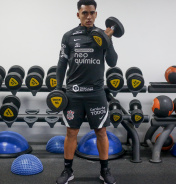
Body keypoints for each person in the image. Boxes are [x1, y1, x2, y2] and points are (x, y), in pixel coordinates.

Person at [55, 0, 118, 184]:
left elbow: (113, 62)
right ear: (78, 15)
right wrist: (59, 89)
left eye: (92, 13)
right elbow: (61, 64)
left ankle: (105, 171)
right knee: (71, 133)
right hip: (74, 93)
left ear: (96, 14)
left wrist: (109, 40)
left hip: (96, 93)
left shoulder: (102, 35)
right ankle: (68, 171)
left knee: (101, 132)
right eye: (84, 13)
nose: (88, 17)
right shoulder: (68, 36)